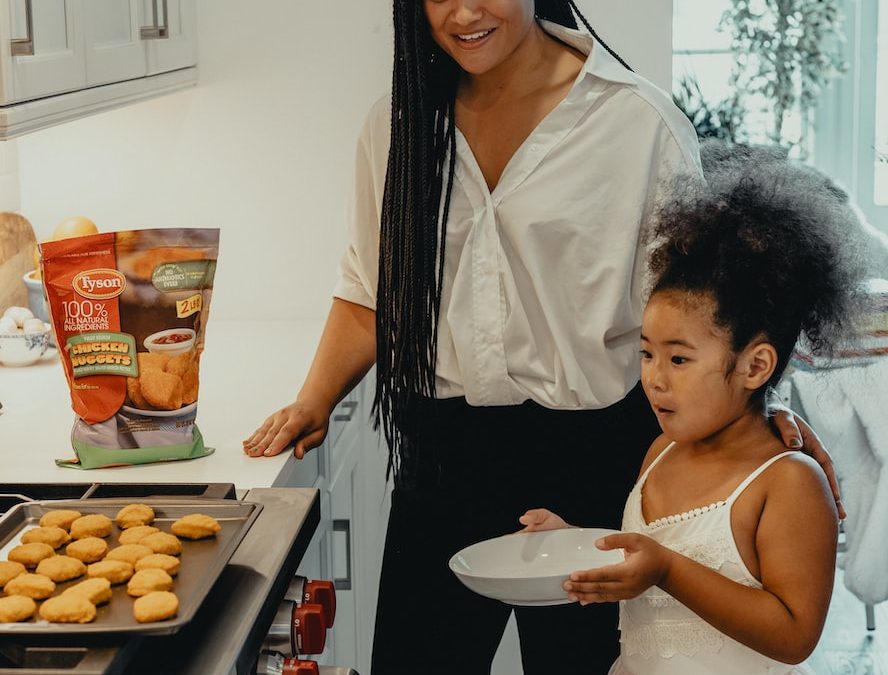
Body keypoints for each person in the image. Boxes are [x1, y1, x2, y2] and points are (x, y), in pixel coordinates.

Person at [243, 2, 843, 672]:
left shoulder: (635, 124)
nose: (463, 11)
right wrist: (314, 398)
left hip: (592, 458)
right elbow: (370, 292)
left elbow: (704, 311)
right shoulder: (398, 125)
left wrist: (763, 410)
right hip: (442, 457)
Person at [520, 143, 862, 673]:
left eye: (679, 358)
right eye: (647, 353)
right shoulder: (661, 452)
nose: (654, 378)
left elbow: (794, 634)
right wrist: (577, 545)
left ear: (755, 366)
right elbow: (647, 564)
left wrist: (667, 571)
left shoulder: (788, 483)